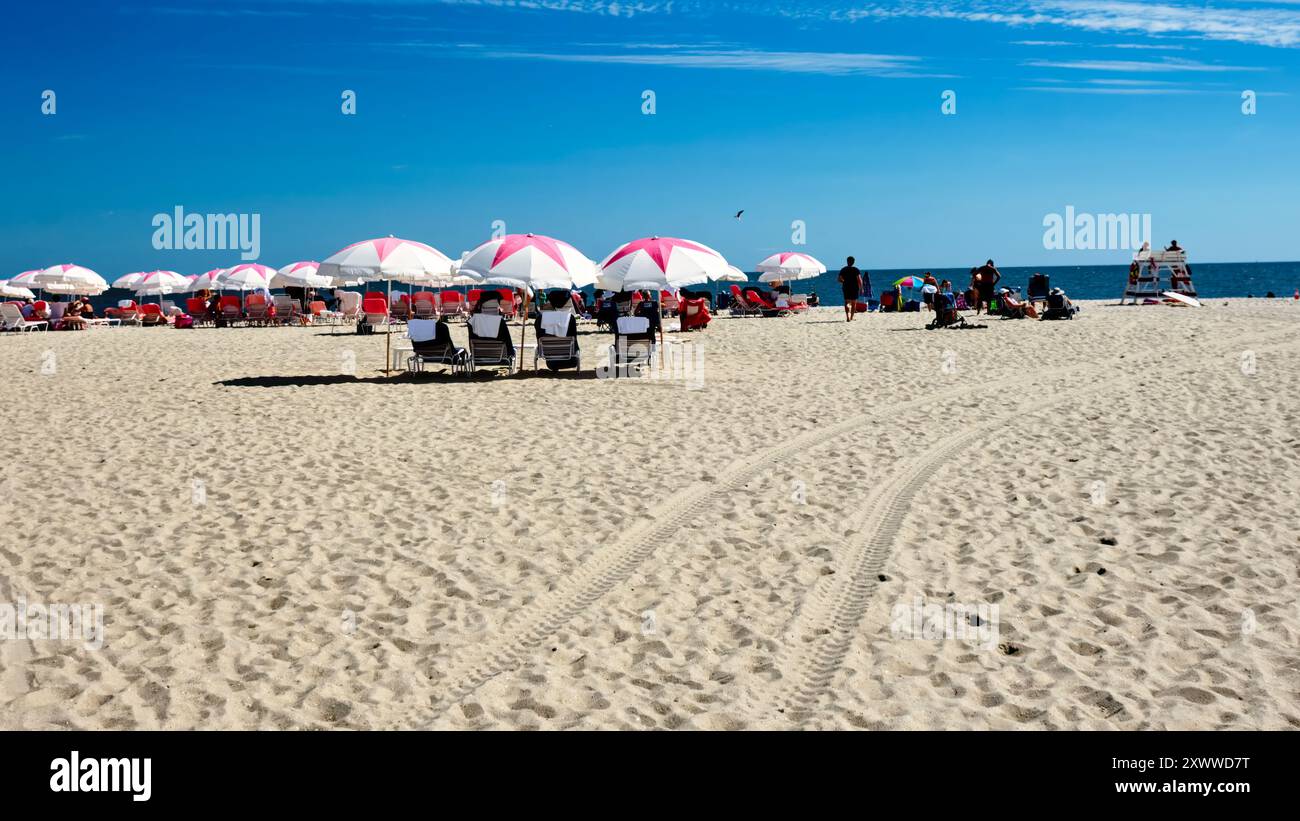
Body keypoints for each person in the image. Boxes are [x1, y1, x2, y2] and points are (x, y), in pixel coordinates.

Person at [838, 256, 862, 322]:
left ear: (847, 261)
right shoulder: (856, 270)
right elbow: (859, 280)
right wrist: (861, 288)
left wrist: (844, 282)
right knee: (854, 303)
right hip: (854, 288)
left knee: (847, 302)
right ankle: (851, 317)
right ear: (853, 262)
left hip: (846, 287)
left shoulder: (843, 269)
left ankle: (847, 317)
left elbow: (839, 279)